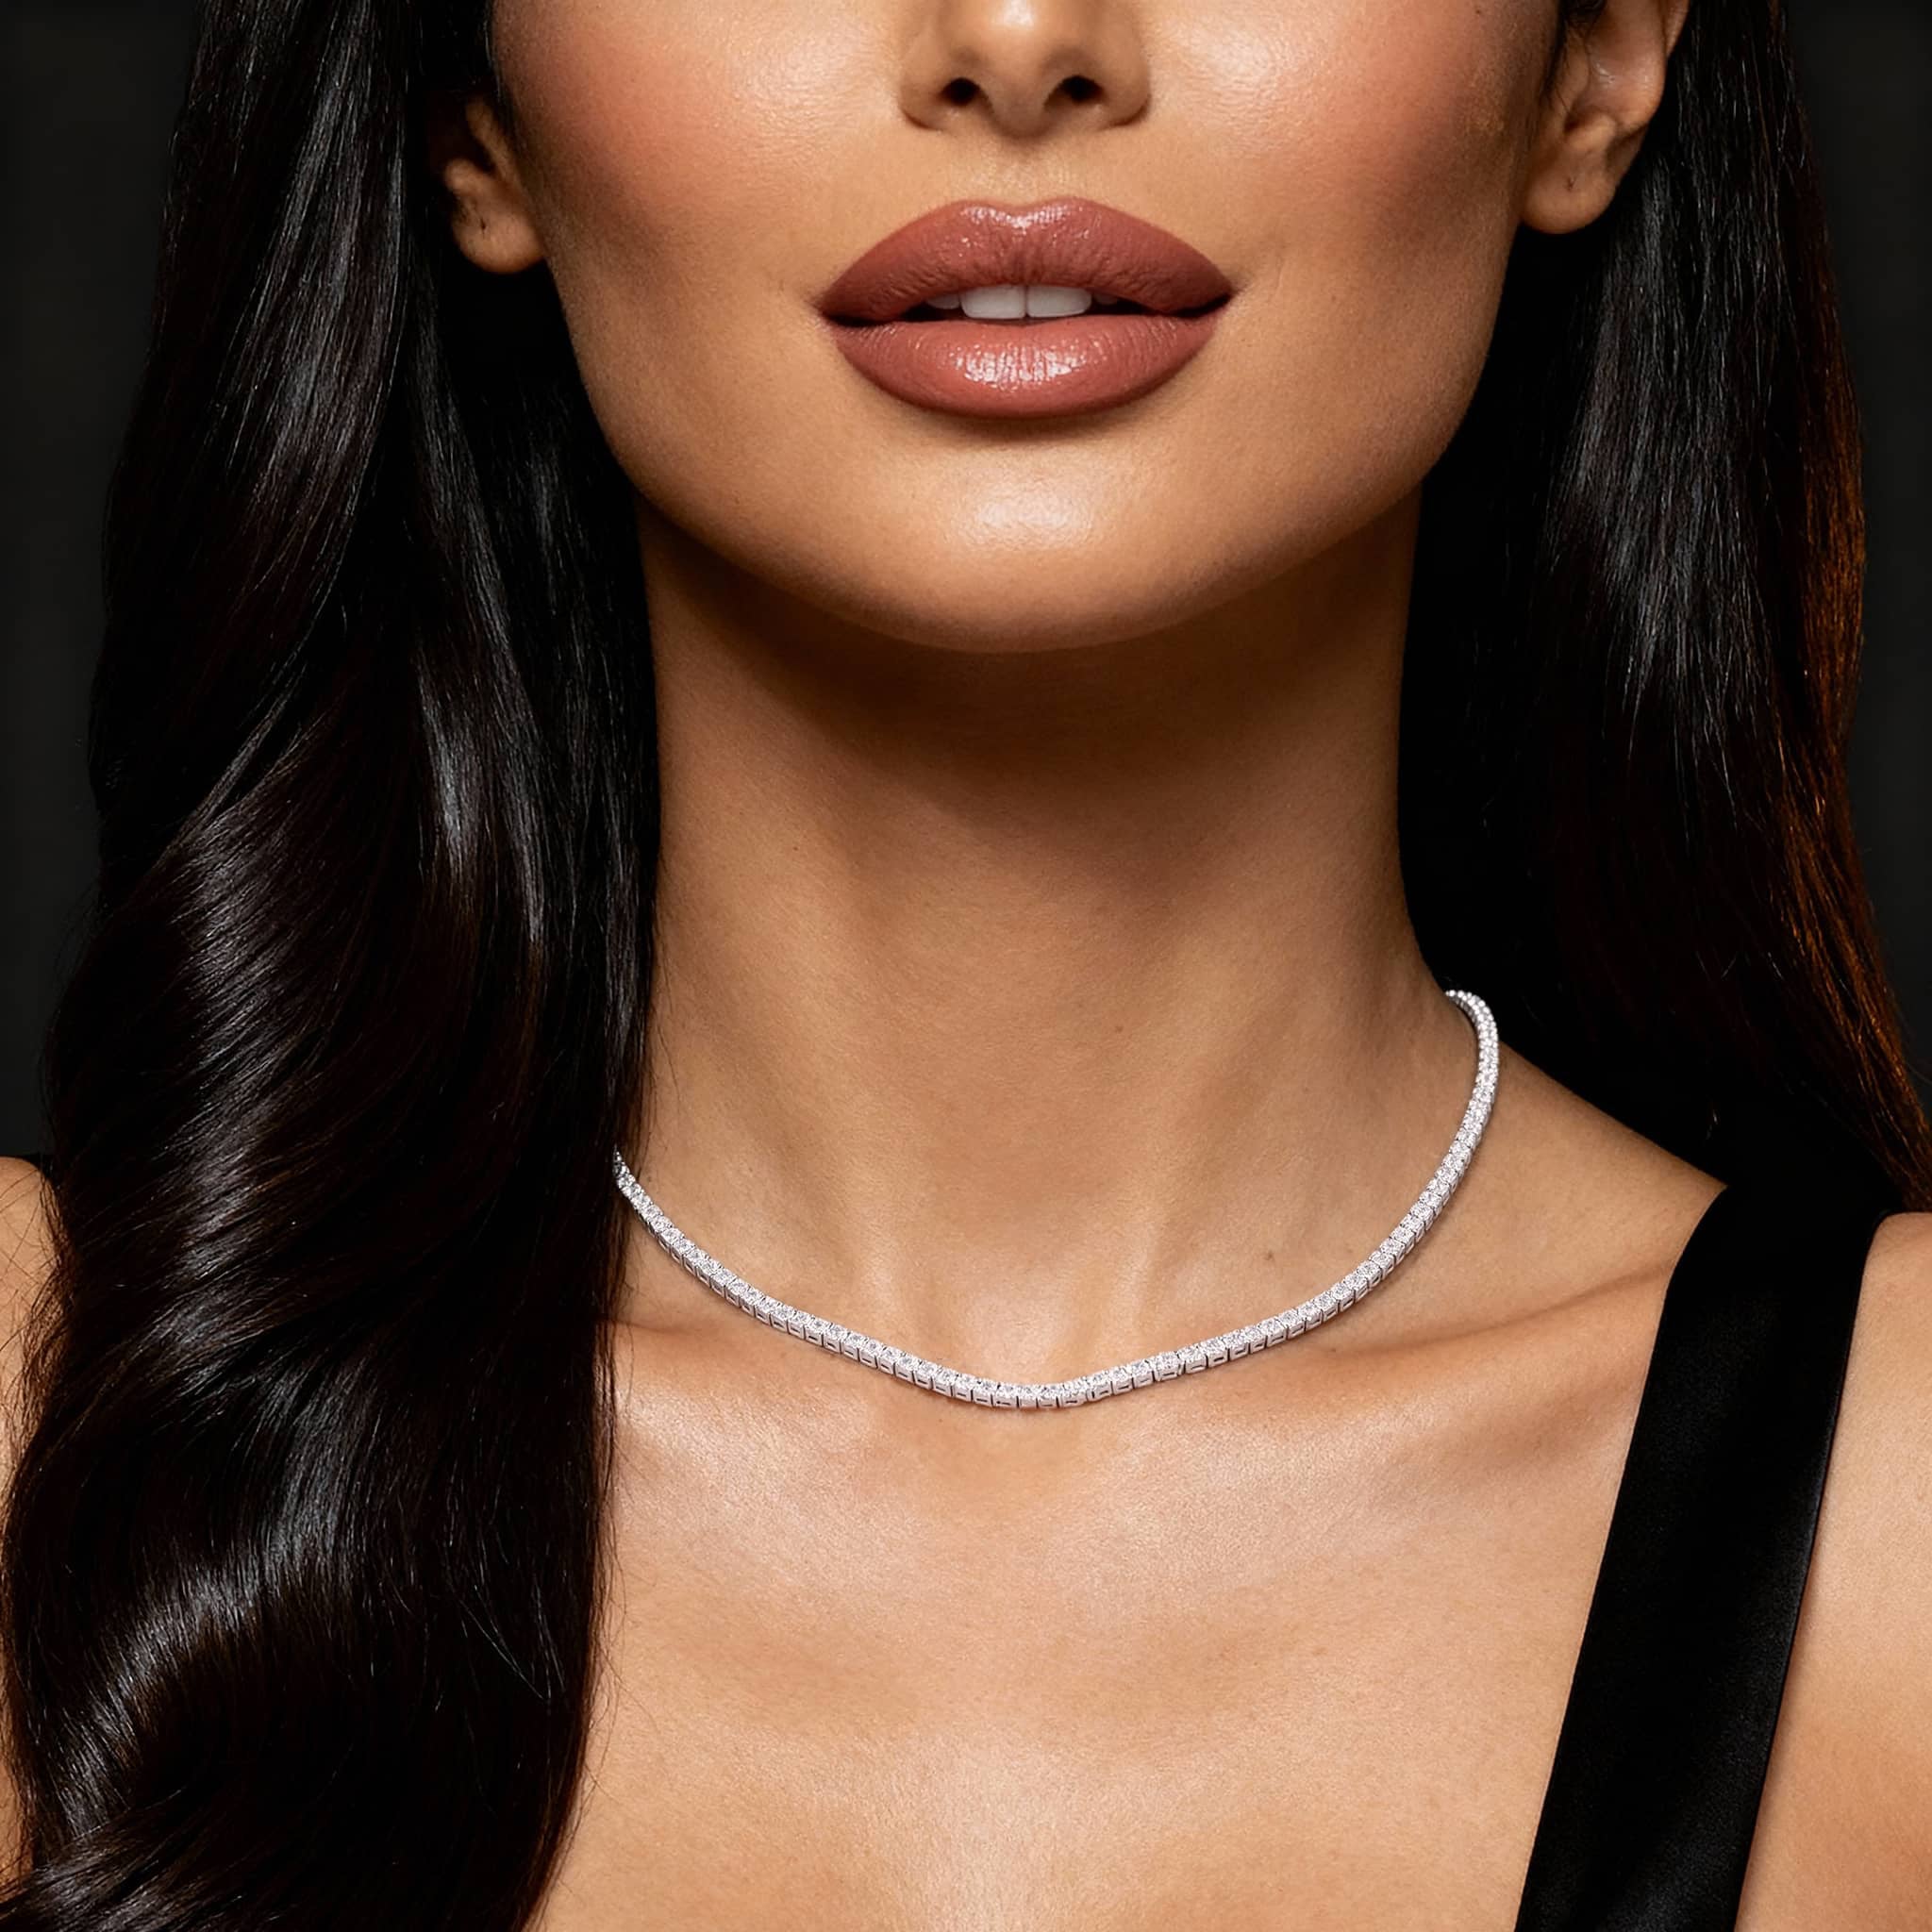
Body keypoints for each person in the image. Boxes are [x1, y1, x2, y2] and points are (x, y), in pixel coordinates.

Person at [2, 0, 1928, 1925]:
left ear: (1595, 58)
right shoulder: (36, 1448)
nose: (1018, 41)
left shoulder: (1898, 1501)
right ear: (467, 113)